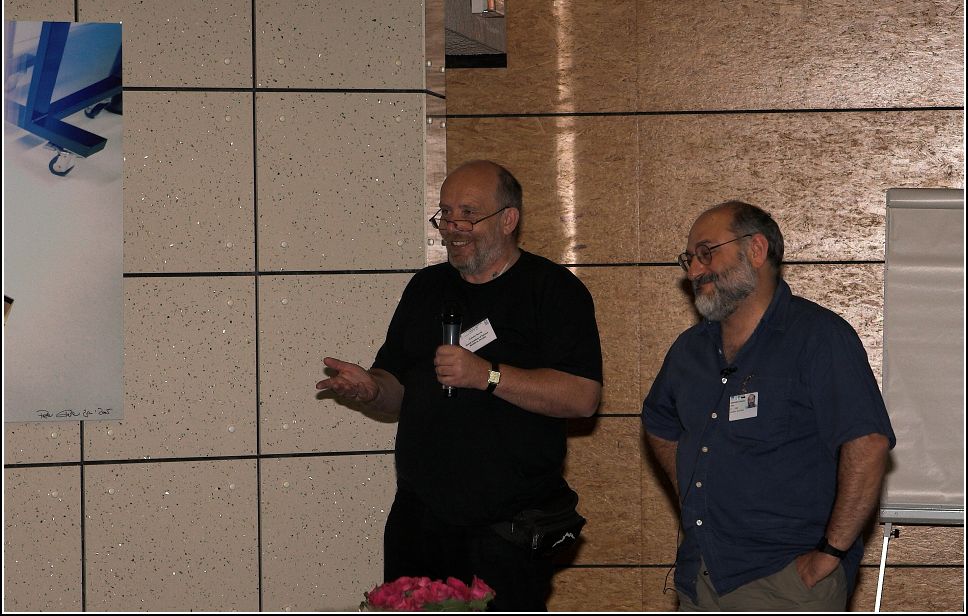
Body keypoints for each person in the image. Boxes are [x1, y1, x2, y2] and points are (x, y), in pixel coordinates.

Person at [316, 160, 603, 611]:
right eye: (446, 215)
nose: (454, 227)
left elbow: (583, 397)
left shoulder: (552, 291)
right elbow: (396, 388)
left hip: (506, 530)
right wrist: (371, 388)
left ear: (509, 219)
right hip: (419, 524)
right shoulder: (425, 288)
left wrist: (486, 375)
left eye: (469, 214)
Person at [642, 201, 895, 611]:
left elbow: (868, 445)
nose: (693, 271)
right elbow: (658, 422)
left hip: (785, 583)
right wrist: (696, 496)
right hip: (699, 578)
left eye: (706, 253)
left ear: (756, 250)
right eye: (689, 259)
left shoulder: (819, 338)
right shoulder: (689, 351)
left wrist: (829, 554)